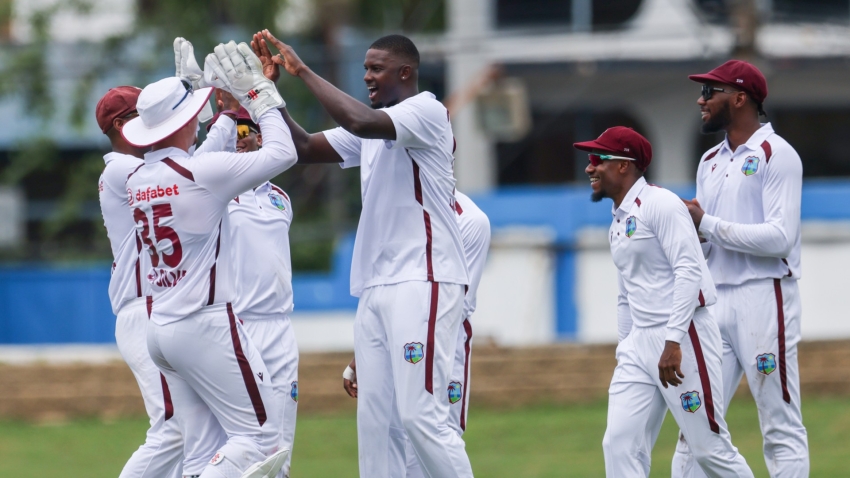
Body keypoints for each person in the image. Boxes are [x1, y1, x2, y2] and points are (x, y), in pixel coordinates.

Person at [252, 30, 472, 477]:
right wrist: (263, 95)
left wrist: (302, 70)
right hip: (376, 287)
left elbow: (357, 122)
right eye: (366, 68)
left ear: (405, 72)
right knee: (376, 424)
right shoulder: (376, 124)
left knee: (419, 416)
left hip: (422, 279)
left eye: (376, 69)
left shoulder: (425, 111)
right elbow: (304, 148)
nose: (367, 77)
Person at [122, 41, 295, 478]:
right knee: (260, 438)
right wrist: (259, 95)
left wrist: (218, 111)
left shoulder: (141, 178)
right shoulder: (199, 173)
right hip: (205, 322)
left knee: (199, 454)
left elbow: (198, 156)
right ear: (186, 122)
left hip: (160, 329)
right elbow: (283, 153)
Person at [577, 126, 754, 477]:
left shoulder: (661, 204)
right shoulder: (617, 222)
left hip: (683, 337)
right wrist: (625, 347)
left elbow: (689, 271)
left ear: (625, 165)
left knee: (708, 449)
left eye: (599, 159)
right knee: (619, 444)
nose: (589, 167)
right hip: (639, 345)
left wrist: (672, 341)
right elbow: (625, 294)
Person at [96, 75, 238, 478]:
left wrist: (202, 111)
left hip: (156, 309)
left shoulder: (135, 168)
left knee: (194, 432)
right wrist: (222, 115)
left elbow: (190, 163)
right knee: (174, 430)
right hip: (145, 309)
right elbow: (194, 169)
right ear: (125, 127)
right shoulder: (126, 168)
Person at [672, 60, 808, 478]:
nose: (701, 100)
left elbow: (779, 238)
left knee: (778, 422)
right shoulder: (710, 160)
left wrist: (706, 224)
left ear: (740, 97)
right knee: (695, 428)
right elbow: (707, 235)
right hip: (715, 304)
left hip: (763, 299)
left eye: (710, 93)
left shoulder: (777, 154)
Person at [341, 191, 491, 477]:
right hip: (400, 339)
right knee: (386, 434)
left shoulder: (470, 221)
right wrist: (371, 349)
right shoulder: (393, 210)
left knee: (431, 436)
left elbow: (455, 307)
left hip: (445, 342)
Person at [224, 105, 299, 478]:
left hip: (280, 325)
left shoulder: (280, 198)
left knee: (281, 440)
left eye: (246, 130)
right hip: (237, 325)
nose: (241, 139)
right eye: (234, 131)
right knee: (242, 438)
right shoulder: (219, 191)